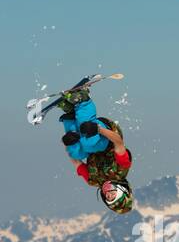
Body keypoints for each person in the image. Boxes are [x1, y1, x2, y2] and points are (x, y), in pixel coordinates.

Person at [55, 86, 134, 214]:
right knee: (89, 143)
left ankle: (70, 114)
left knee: (77, 152)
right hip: (105, 133)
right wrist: (97, 129)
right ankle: (83, 100)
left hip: (89, 141)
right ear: (121, 190)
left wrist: (66, 143)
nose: (108, 194)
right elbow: (118, 141)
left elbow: (76, 162)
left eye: (107, 198)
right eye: (113, 195)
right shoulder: (121, 168)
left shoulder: (93, 180)